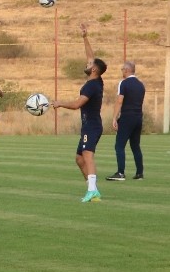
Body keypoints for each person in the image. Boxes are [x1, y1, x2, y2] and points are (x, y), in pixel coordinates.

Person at [49, 28, 105, 202]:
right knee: (79, 159)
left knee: (87, 155)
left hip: (92, 126)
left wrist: (59, 103)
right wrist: (85, 37)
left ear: (94, 69)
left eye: (89, 65)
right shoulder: (97, 80)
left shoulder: (91, 86)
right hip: (89, 125)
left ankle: (92, 191)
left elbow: (77, 105)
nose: (86, 64)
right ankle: (93, 189)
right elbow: (91, 56)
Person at [107, 61, 145, 181]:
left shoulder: (123, 83)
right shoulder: (141, 85)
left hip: (127, 117)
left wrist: (114, 117)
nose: (122, 71)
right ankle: (139, 173)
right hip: (138, 117)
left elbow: (120, 101)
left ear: (127, 70)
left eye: (122, 69)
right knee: (135, 146)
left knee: (119, 145)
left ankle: (120, 172)